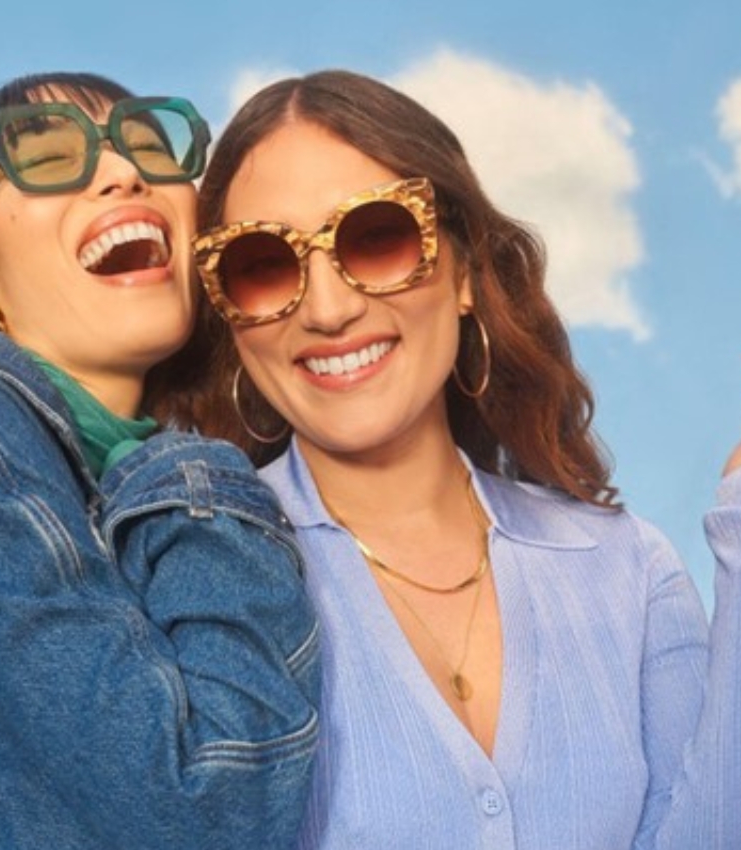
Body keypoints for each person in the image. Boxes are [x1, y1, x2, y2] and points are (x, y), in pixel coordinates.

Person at [185, 69, 741, 848]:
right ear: (229, 316)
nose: (327, 308)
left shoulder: (627, 571)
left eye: (376, 236)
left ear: (467, 272)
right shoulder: (192, 579)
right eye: (261, 265)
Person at [0, 72, 319, 850]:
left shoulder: (133, 469)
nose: (123, 171)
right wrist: (204, 484)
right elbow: (206, 808)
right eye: (47, 154)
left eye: (149, 146)